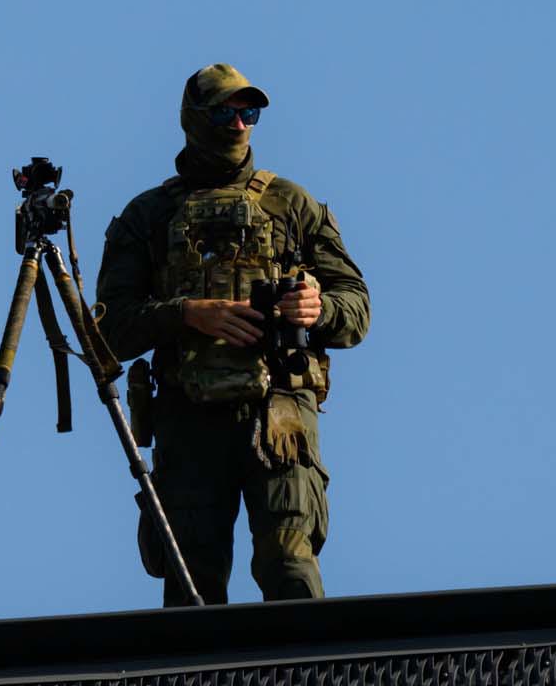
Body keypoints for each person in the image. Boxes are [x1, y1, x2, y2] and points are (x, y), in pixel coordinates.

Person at [92, 65, 370, 603]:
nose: (239, 124)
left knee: (290, 567)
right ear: (193, 120)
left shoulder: (291, 204)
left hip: (279, 420)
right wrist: (187, 313)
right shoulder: (149, 215)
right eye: (224, 112)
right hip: (187, 418)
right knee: (192, 582)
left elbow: (356, 309)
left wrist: (317, 307)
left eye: (249, 113)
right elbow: (107, 331)